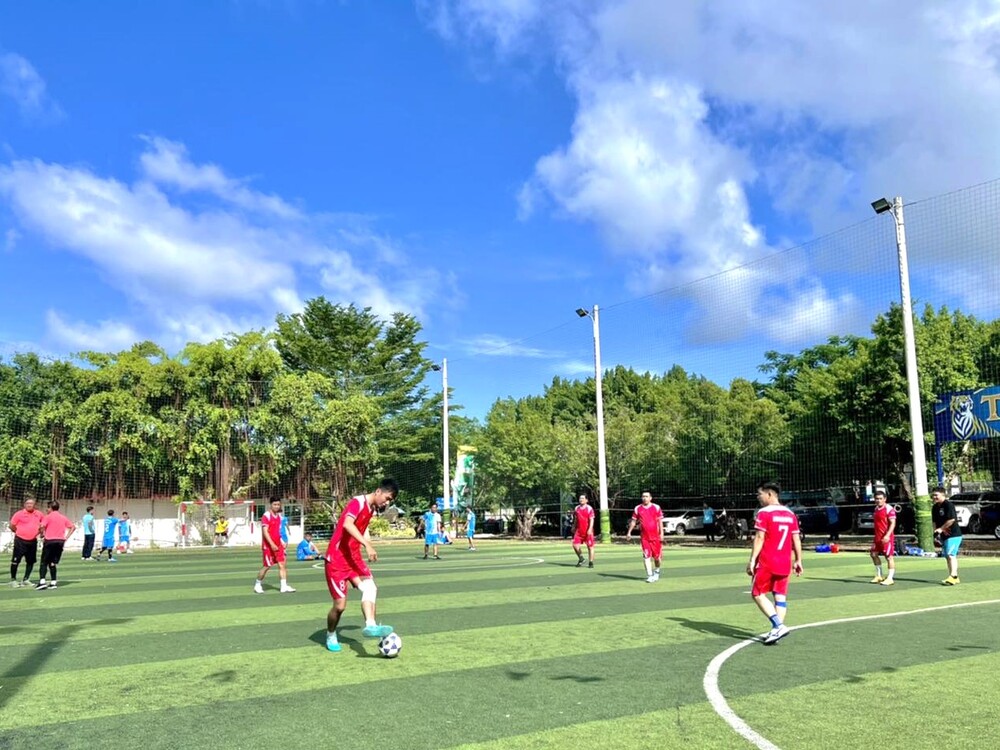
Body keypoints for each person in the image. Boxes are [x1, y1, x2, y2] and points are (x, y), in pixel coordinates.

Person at [323, 478, 399, 653]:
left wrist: (366, 543)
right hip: (336, 559)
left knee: (370, 588)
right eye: (387, 498)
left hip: (353, 558)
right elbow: (347, 524)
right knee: (340, 606)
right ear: (378, 491)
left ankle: (371, 625)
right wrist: (367, 545)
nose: (386, 503)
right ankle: (331, 634)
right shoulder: (357, 502)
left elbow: (361, 529)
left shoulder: (371, 509)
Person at [747, 481, 803, 645]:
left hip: (767, 561)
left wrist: (752, 560)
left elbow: (760, 537)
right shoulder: (790, 514)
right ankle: (776, 631)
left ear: (769, 494)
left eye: (760, 494)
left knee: (757, 593)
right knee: (780, 596)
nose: (758, 497)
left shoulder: (764, 513)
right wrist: (798, 560)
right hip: (785, 561)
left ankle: (778, 625)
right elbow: (796, 539)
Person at [253, 497, 295, 594]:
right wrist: (271, 544)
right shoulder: (266, 516)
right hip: (268, 546)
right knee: (267, 566)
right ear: (270, 505)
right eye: (274, 504)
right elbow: (265, 532)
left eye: (278, 505)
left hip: (278, 545)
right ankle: (257, 584)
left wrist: (281, 541)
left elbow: (278, 531)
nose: (276, 506)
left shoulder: (279, 516)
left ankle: (283, 586)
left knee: (282, 564)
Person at [36, 500, 76, 590]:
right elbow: (73, 527)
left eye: (47, 508)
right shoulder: (63, 517)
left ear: (50, 508)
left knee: (44, 562)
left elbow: (42, 527)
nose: (46, 510)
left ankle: (42, 582)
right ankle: (53, 582)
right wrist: (66, 537)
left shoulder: (48, 517)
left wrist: (41, 534)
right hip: (60, 541)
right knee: (52, 562)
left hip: (50, 541)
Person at [626, 491, 664, 582]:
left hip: (655, 537)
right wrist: (629, 532)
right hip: (644, 538)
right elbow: (633, 521)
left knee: (657, 558)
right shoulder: (637, 508)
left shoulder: (656, 507)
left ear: (650, 498)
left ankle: (657, 571)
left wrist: (661, 534)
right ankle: (649, 575)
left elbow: (660, 521)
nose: (644, 498)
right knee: (646, 556)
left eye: (646, 496)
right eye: (643, 496)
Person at [9, 496, 43, 587]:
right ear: (24, 505)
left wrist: (41, 532)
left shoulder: (39, 514)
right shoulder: (19, 514)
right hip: (20, 541)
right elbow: (12, 525)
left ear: (34, 505)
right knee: (15, 561)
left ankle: (26, 579)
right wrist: (18, 532)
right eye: (27, 503)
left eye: (31, 503)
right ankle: (13, 580)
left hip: (32, 541)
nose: (29, 505)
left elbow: (43, 524)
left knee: (30, 561)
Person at [932, 486, 962, 585]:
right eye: (933, 495)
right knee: (947, 556)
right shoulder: (935, 507)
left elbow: (951, 520)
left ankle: (953, 576)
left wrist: (941, 529)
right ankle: (953, 576)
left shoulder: (948, 505)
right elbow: (934, 522)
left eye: (936, 495)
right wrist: (935, 534)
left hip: (954, 535)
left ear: (943, 495)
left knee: (951, 555)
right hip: (944, 536)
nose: (934, 497)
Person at [869, 488, 896, 585]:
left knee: (889, 557)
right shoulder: (876, 509)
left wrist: (887, 535)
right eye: (877, 498)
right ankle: (879, 575)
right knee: (873, 554)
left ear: (885, 499)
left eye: (880, 498)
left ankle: (890, 578)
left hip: (886, 537)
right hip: (877, 537)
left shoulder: (889, 509)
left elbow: (893, 523)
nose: (878, 500)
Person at [571, 494, 596, 568]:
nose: (581, 499)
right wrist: (574, 526)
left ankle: (591, 562)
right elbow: (576, 519)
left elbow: (592, 520)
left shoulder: (589, 508)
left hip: (587, 531)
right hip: (579, 531)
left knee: (590, 546)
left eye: (582, 498)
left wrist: (590, 529)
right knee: (575, 545)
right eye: (580, 498)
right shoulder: (577, 508)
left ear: (586, 500)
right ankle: (581, 558)